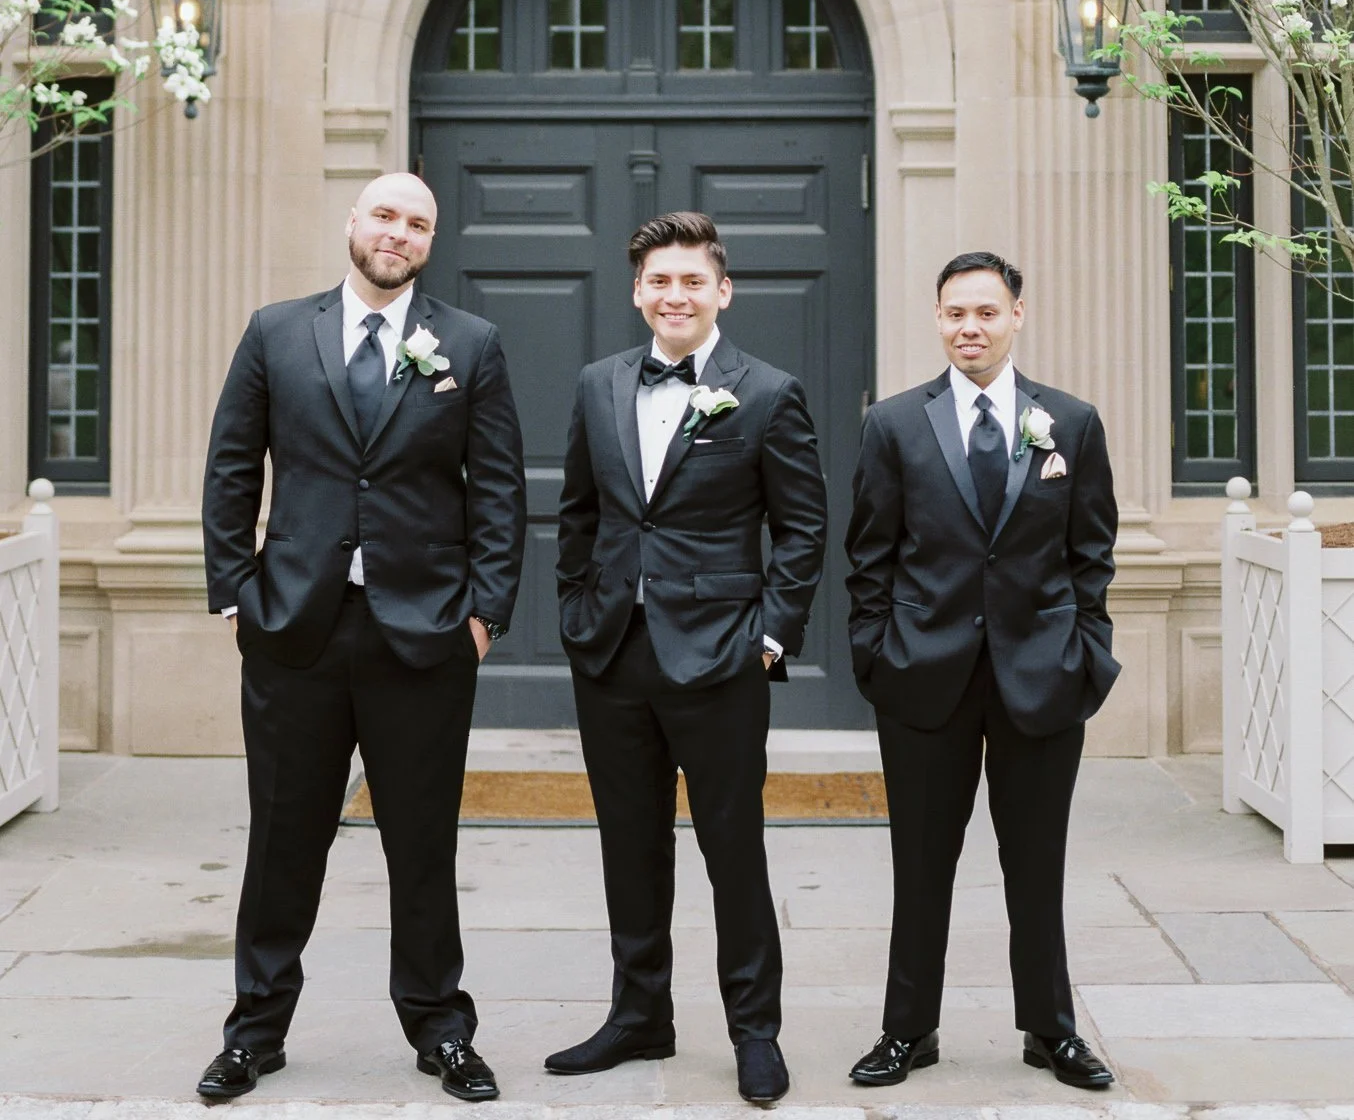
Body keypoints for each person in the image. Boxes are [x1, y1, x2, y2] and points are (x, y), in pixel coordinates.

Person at [196, 172, 527, 1105]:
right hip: (294, 629)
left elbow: (499, 489)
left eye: (417, 223)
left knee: (422, 842)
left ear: (430, 241)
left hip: (423, 635)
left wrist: (484, 612)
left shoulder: (470, 343)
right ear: (352, 223)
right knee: (284, 839)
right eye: (385, 216)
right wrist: (236, 592)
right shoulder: (275, 332)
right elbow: (232, 461)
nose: (398, 234)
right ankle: (255, 1032)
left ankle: (440, 1028)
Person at [548, 211, 829, 1107]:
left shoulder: (768, 392)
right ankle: (640, 1015)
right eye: (659, 282)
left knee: (731, 849)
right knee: (628, 846)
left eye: (691, 281)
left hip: (721, 659)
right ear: (638, 292)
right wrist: (576, 613)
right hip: (613, 655)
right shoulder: (597, 384)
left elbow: (803, 527)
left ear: (722, 291)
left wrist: (772, 638)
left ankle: (755, 1032)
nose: (675, 296)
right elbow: (581, 512)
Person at [844, 251, 1119, 1093]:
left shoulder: (1069, 424)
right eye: (956, 313)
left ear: (1016, 316)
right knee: (920, 863)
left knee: (1036, 864)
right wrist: (879, 658)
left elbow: (1091, 553)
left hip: (1043, 677)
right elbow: (869, 559)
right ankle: (907, 1030)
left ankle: (1050, 1030)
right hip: (924, 677)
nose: (970, 327)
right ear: (937, 319)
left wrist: (1085, 655)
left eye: (987, 313)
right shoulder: (893, 425)